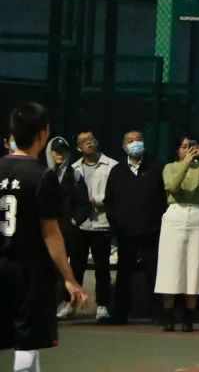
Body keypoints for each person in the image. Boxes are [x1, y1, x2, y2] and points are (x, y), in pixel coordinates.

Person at [0, 103, 89, 372]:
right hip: (29, 269)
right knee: (27, 340)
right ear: (42, 135)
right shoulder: (42, 177)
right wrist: (69, 278)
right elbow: (51, 233)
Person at [104, 129, 166, 326]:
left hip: (151, 231)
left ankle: (159, 313)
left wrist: (158, 223)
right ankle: (120, 313)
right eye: (130, 141)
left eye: (138, 139)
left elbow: (164, 198)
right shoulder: (117, 171)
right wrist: (117, 226)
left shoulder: (156, 167)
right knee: (123, 274)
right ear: (124, 147)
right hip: (125, 233)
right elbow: (109, 201)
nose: (135, 143)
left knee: (154, 273)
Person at [155, 135, 199, 332]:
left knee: (194, 265)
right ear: (177, 150)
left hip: (196, 214)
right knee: (171, 265)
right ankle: (168, 314)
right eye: (184, 146)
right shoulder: (170, 167)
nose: (188, 149)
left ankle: (189, 316)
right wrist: (186, 163)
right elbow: (172, 186)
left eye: (191, 146)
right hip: (175, 213)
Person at [69, 129, 117, 323]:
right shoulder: (73, 168)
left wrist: (99, 199)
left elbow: (115, 193)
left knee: (102, 269)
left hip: (102, 224)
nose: (88, 142)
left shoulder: (111, 165)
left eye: (91, 139)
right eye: (83, 141)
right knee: (76, 267)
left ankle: (102, 306)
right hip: (80, 226)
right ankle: (70, 304)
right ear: (78, 147)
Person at [45, 137, 88, 322]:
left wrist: (73, 221)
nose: (60, 155)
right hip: (46, 232)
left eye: (63, 152)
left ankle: (64, 303)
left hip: (68, 233)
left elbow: (84, 204)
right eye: (56, 151)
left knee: (66, 269)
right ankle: (49, 304)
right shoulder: (43, 174)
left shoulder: (75, 175)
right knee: (48, 270)